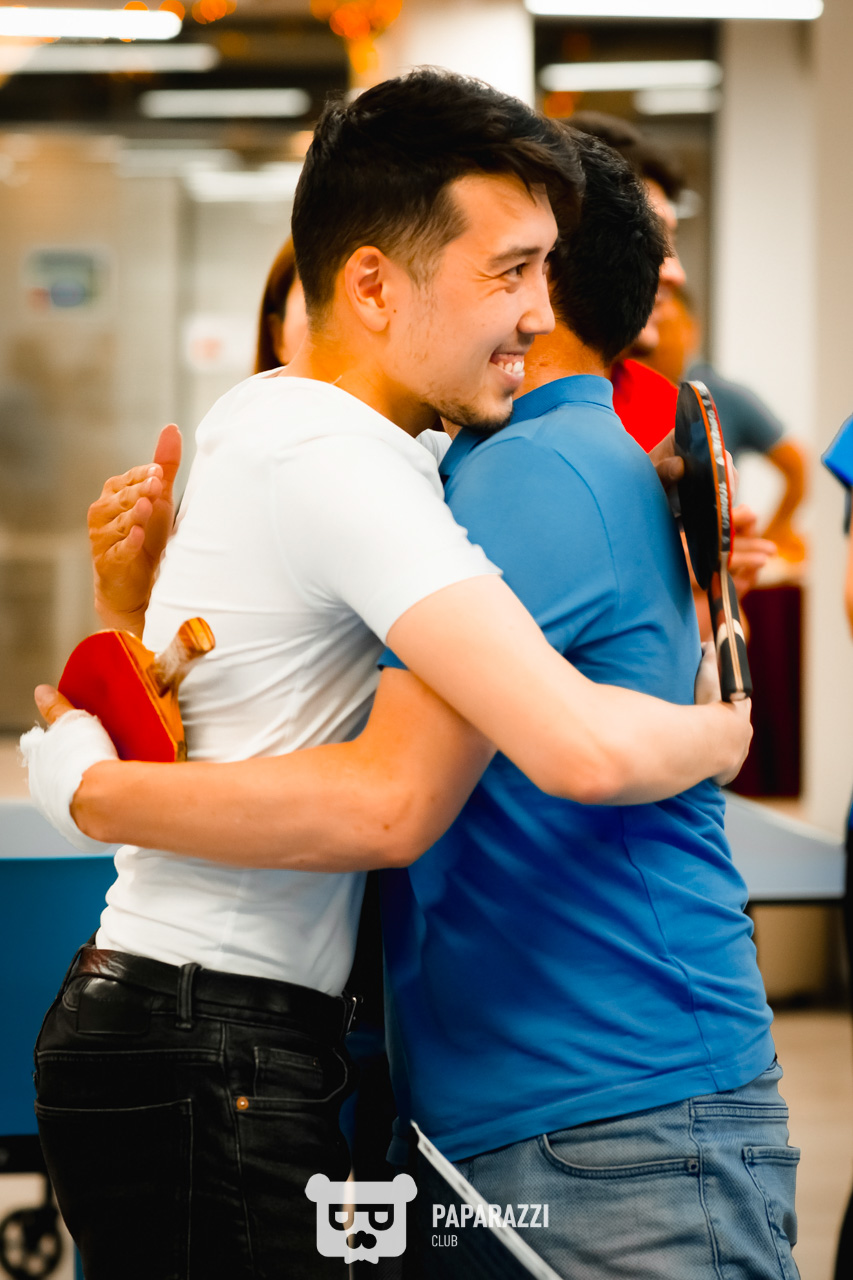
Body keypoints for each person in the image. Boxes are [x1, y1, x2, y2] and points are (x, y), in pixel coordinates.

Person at [21, 72, 752, 1280]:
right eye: (508, 272)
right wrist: (722, 727)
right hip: (212, 1037)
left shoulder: (280, 421)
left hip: (200, 1027)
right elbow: (543, 755)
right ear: (371, 285)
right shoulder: (342, 465)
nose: (538, 311)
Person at [646, 286, 808, 564]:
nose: (658, 340)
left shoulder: (723, 396)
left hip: (708, 563)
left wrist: (773, 533)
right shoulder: (624, 390)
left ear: (691, 330)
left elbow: (797, 466)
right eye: (651, 326)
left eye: (667, 326)